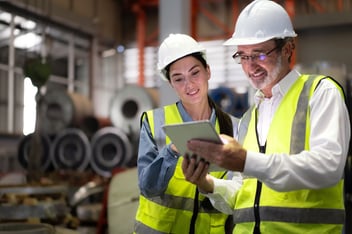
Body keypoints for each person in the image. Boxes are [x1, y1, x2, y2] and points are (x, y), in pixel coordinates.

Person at [182, 0, 351, 233]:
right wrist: (206, 183)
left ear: (288, 48)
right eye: (242, 56)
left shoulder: (320, 93)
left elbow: (328, 167)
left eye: (259, 54)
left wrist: (246, 160)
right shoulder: (250, 117)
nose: (250, 67)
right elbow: (241, 194)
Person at [134, 33, 239, 234]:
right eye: (178, 79)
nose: (189, 85)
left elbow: (239, 195)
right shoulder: (155, 122)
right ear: (170, 83)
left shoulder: (234, 128)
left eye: (195, 73)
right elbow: (147, 187)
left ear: (208, 71)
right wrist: (172, 151)